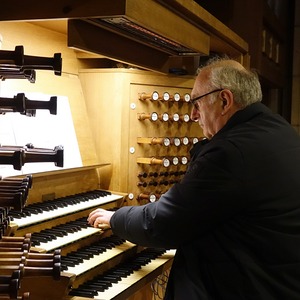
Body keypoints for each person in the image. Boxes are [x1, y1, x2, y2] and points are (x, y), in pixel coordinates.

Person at [87, 57, 300, 300]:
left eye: (197, 103)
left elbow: (164, 224)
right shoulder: (280, 130)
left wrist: (116, 217)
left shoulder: (229, 152)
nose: (192, 115)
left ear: (224, 100)